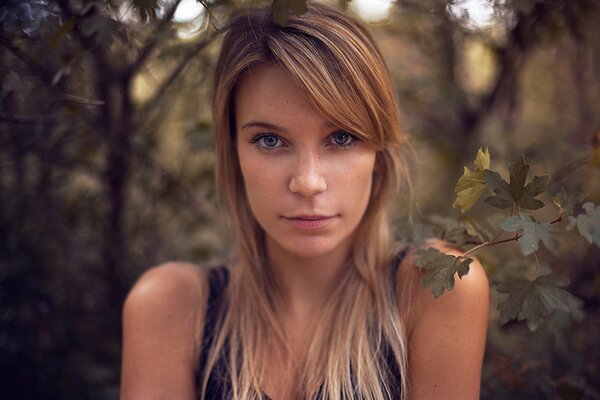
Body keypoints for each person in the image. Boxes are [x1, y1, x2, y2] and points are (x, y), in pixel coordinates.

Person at [119, 2, 489, 399]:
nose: (308, 182)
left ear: (378, 153)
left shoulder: (438, 288)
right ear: (233, 152)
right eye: (270, 140)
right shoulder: (170, 307)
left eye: (342, 138)